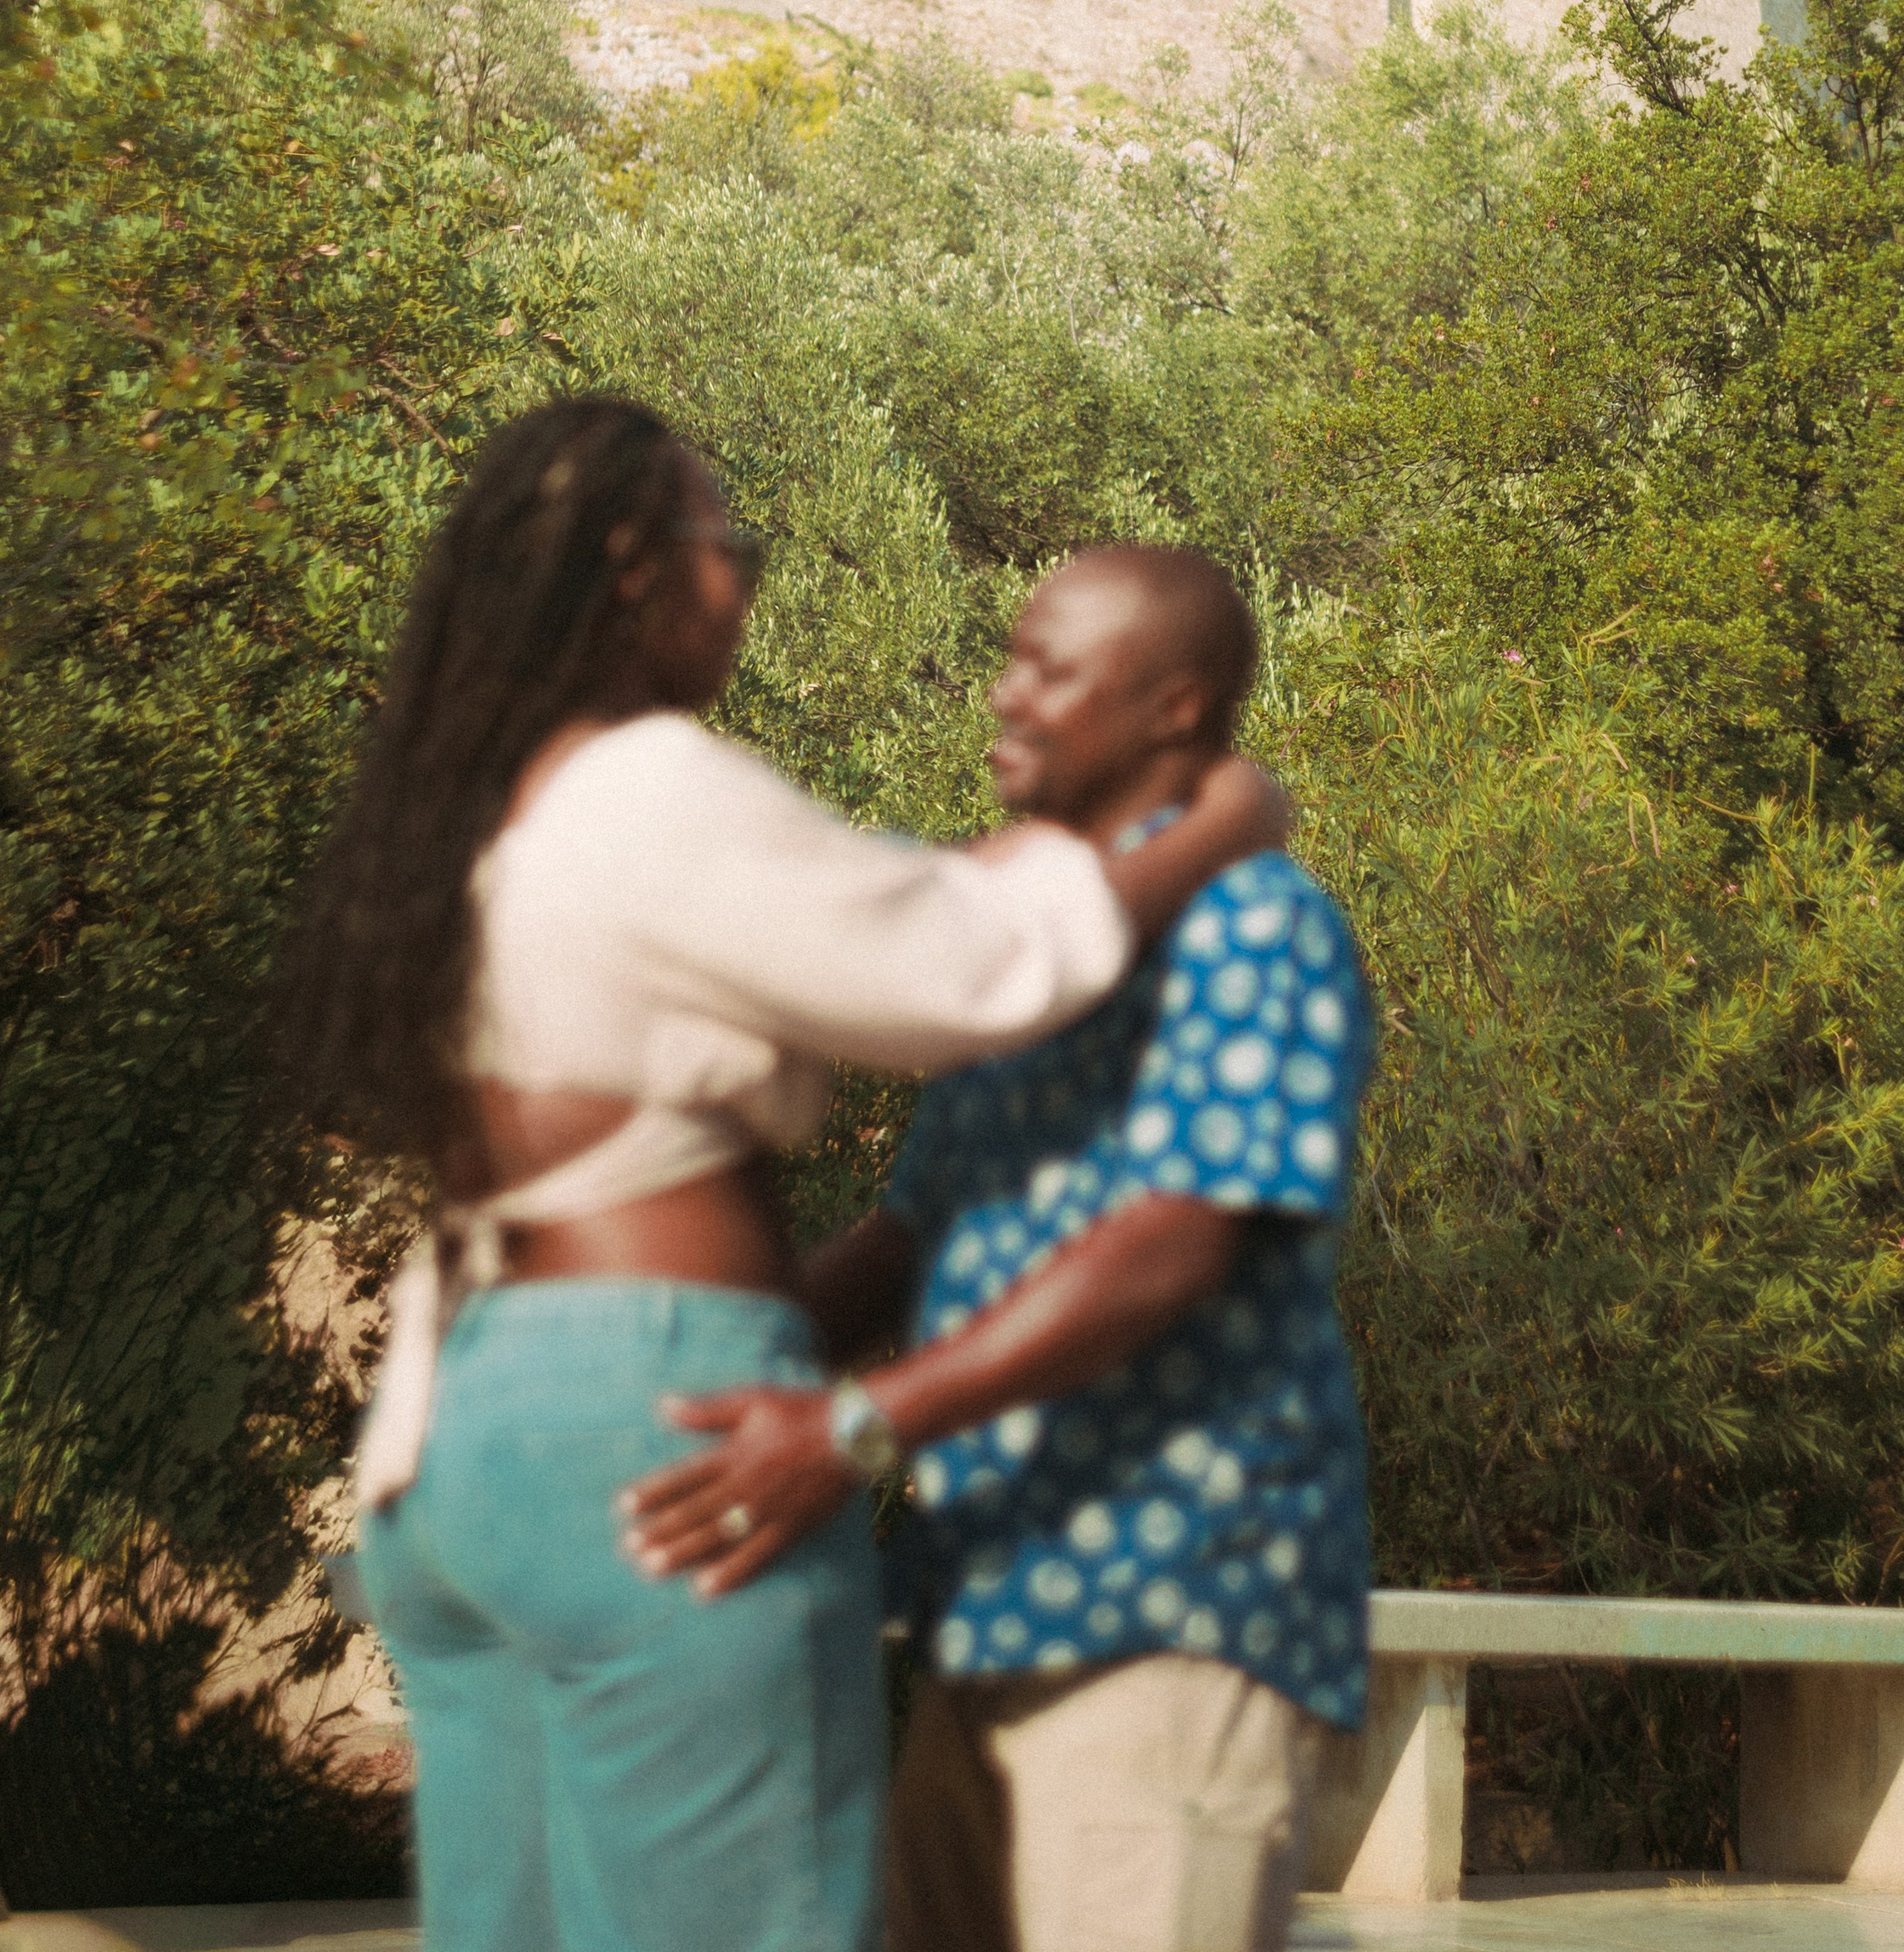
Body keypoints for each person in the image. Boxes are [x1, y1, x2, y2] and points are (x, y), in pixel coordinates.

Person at [279, 401, 1286, 1952]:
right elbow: (971, 965)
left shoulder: (480, 826)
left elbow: (887, 908)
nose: (746, 584)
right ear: (633, 569)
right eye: (729, 545)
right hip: (656, 1422)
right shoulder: (645, 786)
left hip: (470, 1446)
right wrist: (1209, 829)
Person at [623, 547, 1372, 1952]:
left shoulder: (1254, 926)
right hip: (991, 1617)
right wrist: (671, 1366)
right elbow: (910, 1241)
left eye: (1052, 671)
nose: (1004, 694)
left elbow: (1174, 1242)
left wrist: (851, 1427)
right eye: (1010, 658)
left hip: (1172, 1614)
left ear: (1174, 708)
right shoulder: (1030, 965)